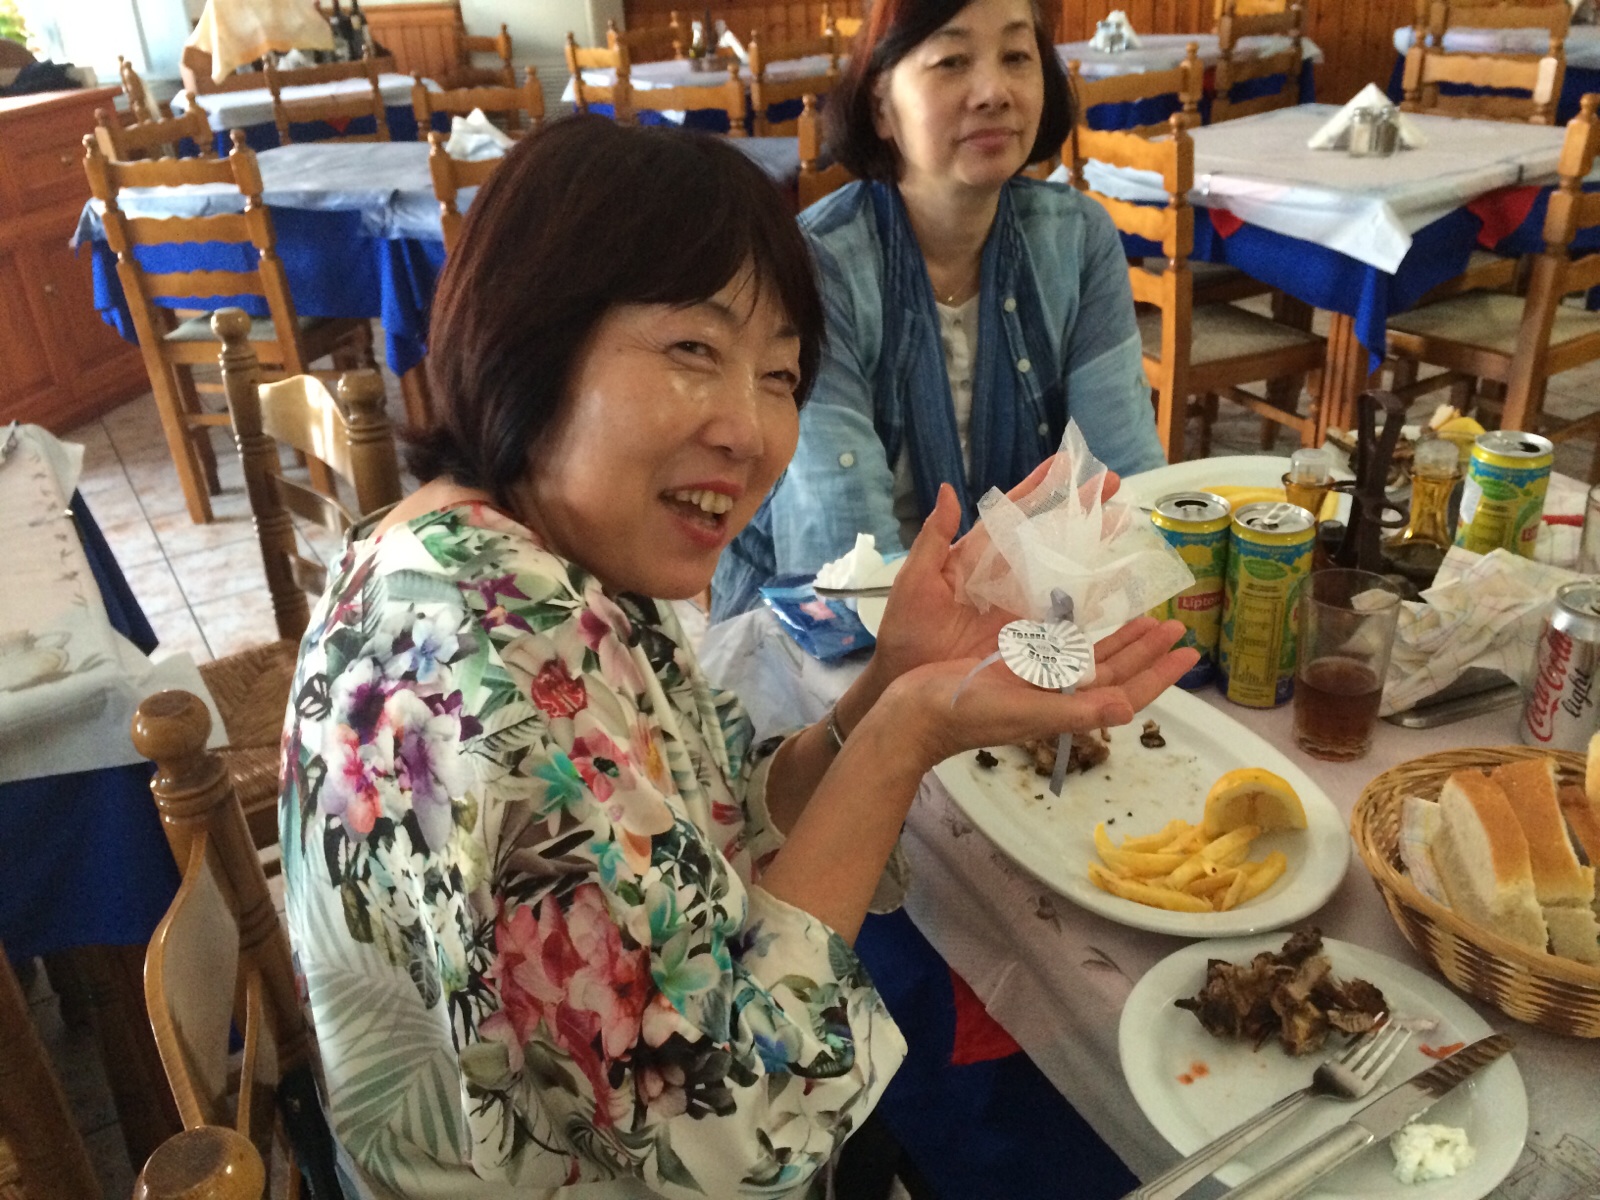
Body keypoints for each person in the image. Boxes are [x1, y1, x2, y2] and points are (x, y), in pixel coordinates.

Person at [277, 114, 1194, 1198]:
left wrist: (885, 689)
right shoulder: (496, 658)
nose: (751, 432)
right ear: (529, 335)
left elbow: (697, 827)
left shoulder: (500, 546)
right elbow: (732, 1134)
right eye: (693, 351)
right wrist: (904, 737)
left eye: (780, 375)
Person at [711, 0, 1166, 620]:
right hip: (831, 631)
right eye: (952, 61)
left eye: (1016, 56)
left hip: (1030, 620)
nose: (994, 92)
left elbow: (1123, 486)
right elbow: (846, 562)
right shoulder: (816, 265)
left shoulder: (1078, 239)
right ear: (881, 105)